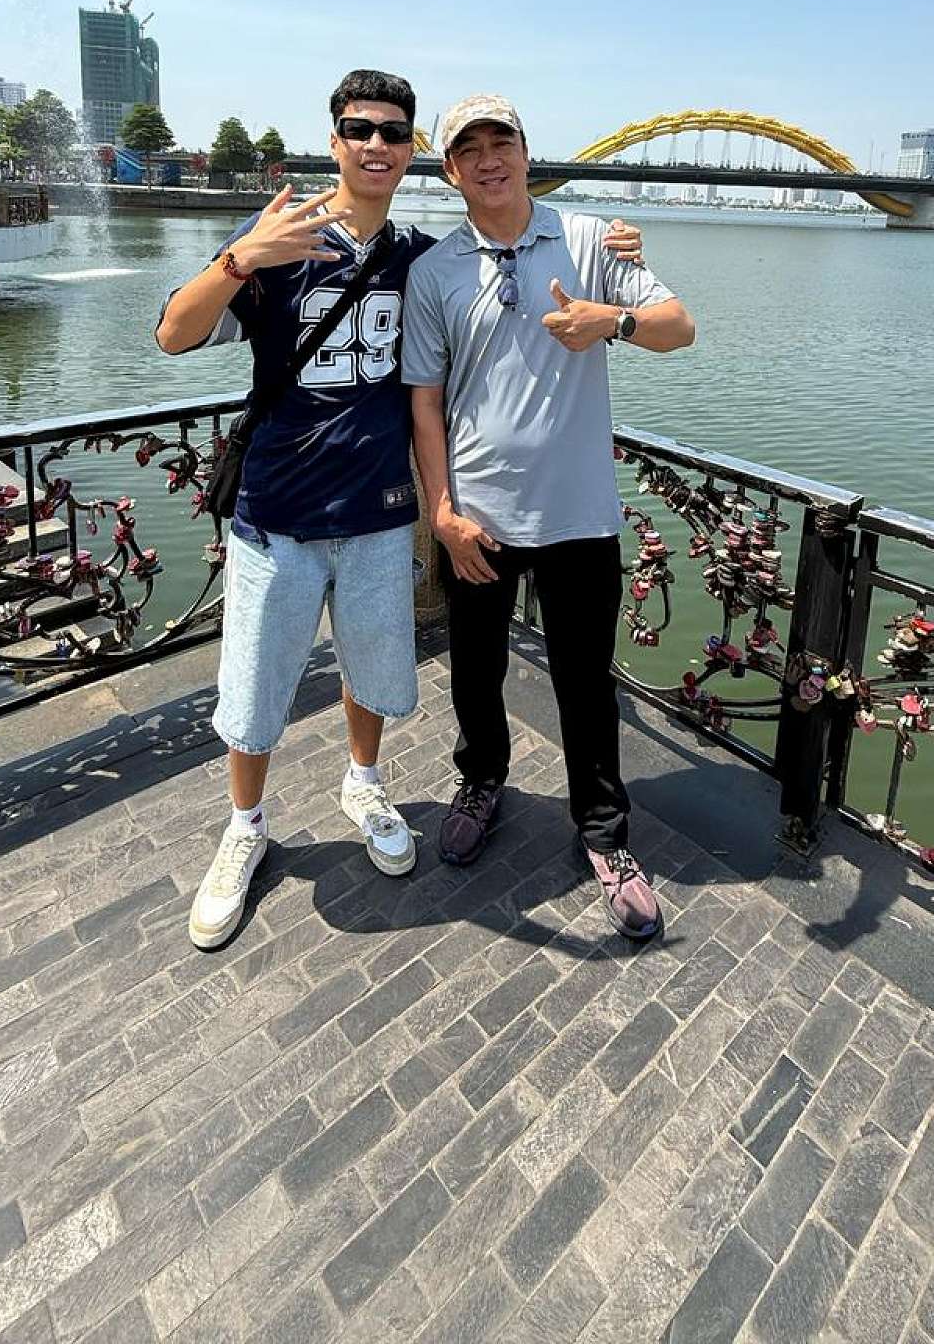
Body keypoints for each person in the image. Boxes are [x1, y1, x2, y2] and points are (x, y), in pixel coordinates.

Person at [156, 72, 647, 955]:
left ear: (414, 152)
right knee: (256, 691)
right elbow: (172, 335)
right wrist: (240, 259)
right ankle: (245, 829)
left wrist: (618, 266)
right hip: (277, 509)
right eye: (360, 129)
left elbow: (451, 355)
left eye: (392, 132)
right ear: (335, 142)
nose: (376, 145)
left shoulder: (420, 258)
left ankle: (366, 783)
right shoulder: (280, 240)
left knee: (373, 672)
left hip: (380, 513)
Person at [403, 94, 696, 940]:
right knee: (475, 671)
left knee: (584, 681)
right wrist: (443, 513)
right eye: (469, 149)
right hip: (480, 518)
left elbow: (680, 328)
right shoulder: (435, 271)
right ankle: (481, 780)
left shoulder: (593, 241)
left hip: (579, 516)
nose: (488, 160)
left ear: (528, 153)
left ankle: (604, 832)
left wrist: (616, 320)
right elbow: (425, 403)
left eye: (503, 142)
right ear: (450, 170)